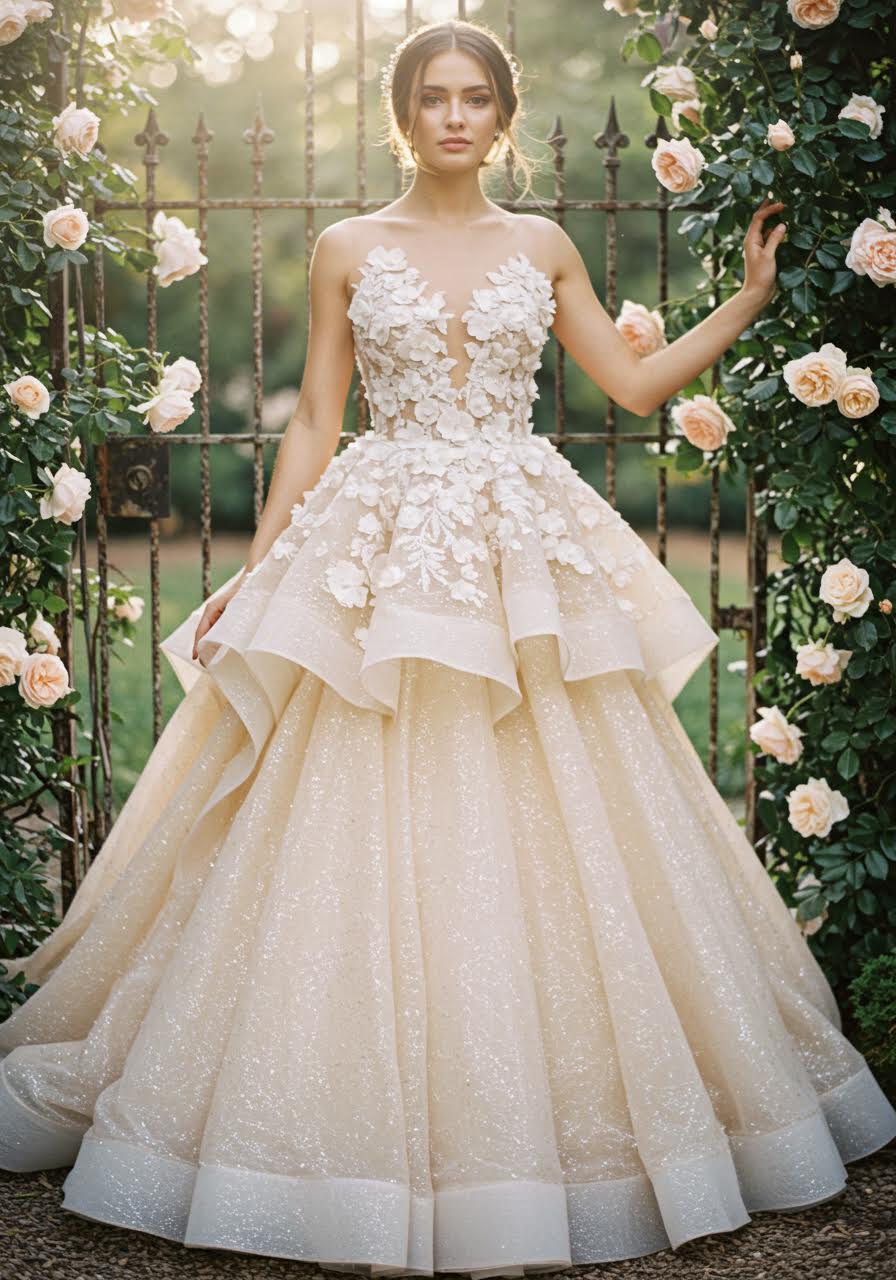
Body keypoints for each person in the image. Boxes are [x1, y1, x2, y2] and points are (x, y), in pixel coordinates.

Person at [1, 16, 894, 1278]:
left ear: (503, 114)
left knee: (565, 784)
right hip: (384, 535)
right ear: (402, 115)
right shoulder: (346, 245)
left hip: (518, 540)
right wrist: (259, 573)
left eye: (476, 97)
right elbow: (317, 411)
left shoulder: (540, 242)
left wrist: (748, 300)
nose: (455, 117)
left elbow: (631, 392)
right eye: (433, 98)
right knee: (341, 791)